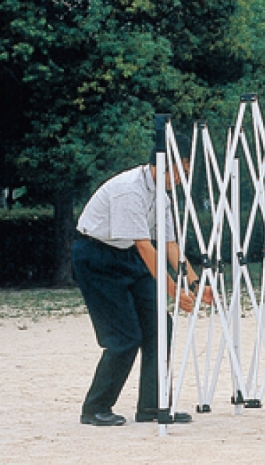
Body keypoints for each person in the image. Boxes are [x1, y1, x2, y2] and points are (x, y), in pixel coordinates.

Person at [72, 134, 213, 426]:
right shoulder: (129, 190)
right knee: (124, 337)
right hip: (97, 258)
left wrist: (195, 283)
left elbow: (170, 244)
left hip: (128, 255)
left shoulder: (162, 196)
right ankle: (95, 407)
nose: (182, 178)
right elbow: (145, 247)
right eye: (181, 171)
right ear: (164, 164)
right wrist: (173, 291)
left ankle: (152, 405)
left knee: (161, 326)